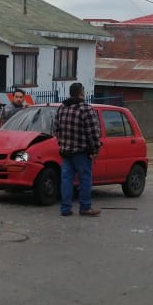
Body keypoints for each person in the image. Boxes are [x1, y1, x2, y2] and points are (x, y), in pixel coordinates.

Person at [54, 82, 101, 216]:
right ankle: (85, 207)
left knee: (66, 180)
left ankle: (65, 208)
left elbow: (56, 129)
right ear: (82, 93)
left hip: (65, 152)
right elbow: (93, 132)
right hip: (81, 152)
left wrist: (62, 143)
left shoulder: (62, 108)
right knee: (85, 178)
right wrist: (95, 149)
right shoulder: (86, 109)